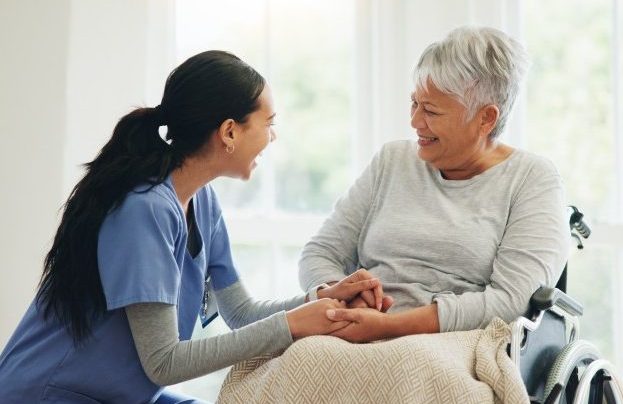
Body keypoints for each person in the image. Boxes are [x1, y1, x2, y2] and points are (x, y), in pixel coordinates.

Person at [0, 50, 385, 403]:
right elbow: (164, 363)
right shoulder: (144, 210)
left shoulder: (202, 201)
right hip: (51, 392)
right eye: (268, 123)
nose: (273, 136)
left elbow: (240, 311)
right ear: (230, 131)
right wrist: (292, 326)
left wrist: (318, 299)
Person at [300, 26, 570, 343]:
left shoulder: (532, 180)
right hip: (355, 331)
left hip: (456, 345)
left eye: (430, 110)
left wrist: (389, 326)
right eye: (415, 103)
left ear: (486, 118)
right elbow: (320, 252)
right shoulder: (392, 160)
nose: (415, 121)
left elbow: (509, 301)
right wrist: (335, 294)